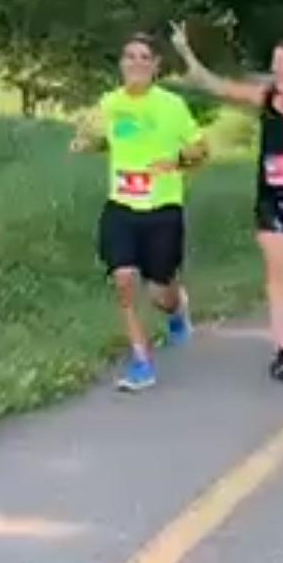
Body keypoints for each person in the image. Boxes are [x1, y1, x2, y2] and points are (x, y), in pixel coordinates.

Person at [169, 24, 283, 385]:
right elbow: (214, 85)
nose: (282, 70)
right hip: (271, 200)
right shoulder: (263, 96)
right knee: (277, 278)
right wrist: (185, 52)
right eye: (276, 64)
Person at [71, 34, 207, 391]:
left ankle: (178, 309)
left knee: (160, 294)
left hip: (162, 208)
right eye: (129, 56)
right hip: (121, 207)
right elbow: (101, 139)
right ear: (121, 64)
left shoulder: (172, 106)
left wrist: (176, 161)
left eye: (143, 57)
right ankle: (141, 363)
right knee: (125, 280)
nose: (135, 63)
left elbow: (200, 150)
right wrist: (86, 144)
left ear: (156, 66)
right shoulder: (109, 103)